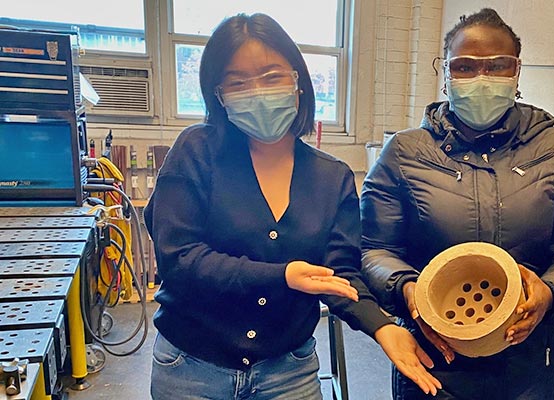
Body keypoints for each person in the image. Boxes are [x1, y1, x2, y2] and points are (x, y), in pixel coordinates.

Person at [144, 13, 440, 399]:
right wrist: (281, 275)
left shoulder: (331, 177)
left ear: (297, 82)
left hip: (288, 372)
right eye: (238, 82)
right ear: (218, 94)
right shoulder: (195, 152)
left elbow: (339, 271)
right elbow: (179, 260)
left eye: (271, 76)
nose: (258, 92)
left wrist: (382, 327)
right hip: (192, 369)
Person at [360, 8, 554, 400]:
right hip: (433, 359)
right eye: (466, 67)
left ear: (517, 72)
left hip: (528, 360)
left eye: (497, 66)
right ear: (446, 74)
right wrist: (408, 292)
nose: (481, 78)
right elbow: (375, 250)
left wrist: (551, 294)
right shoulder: (404, 153)